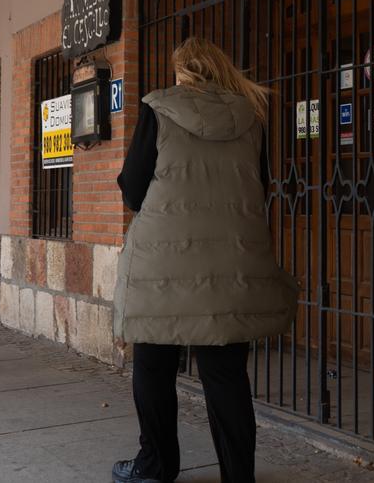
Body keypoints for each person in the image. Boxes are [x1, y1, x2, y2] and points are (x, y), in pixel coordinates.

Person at [112, 37, 297, 483]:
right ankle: (239, 476)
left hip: (163, 264)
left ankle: (156, 467)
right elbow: (262, 187)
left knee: (154, 365)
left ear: (182, 71)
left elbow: (133, 188)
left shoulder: (159, 110)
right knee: (226, 376)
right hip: (231, 264)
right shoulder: (252, 119)